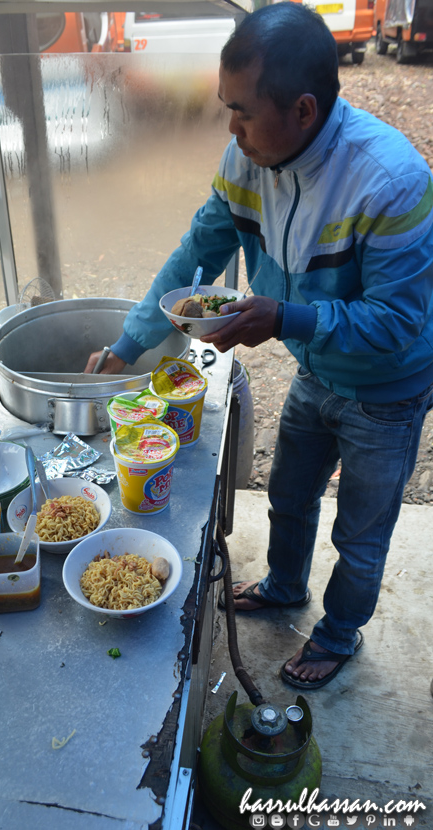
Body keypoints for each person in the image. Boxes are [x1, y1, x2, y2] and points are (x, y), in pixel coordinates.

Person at [84, 2, 433, 689]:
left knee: (360, 533)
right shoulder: (247, 161)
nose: (231, 127)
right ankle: (283, 585)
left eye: (242, 111)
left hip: (388, 390)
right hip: (316, 368)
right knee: (289, 493)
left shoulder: (392, 181)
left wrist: (285, 319)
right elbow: (197, 256)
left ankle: (337, 635)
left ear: (304, 111)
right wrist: (129, 343)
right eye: (227, 109)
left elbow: (398, 324)